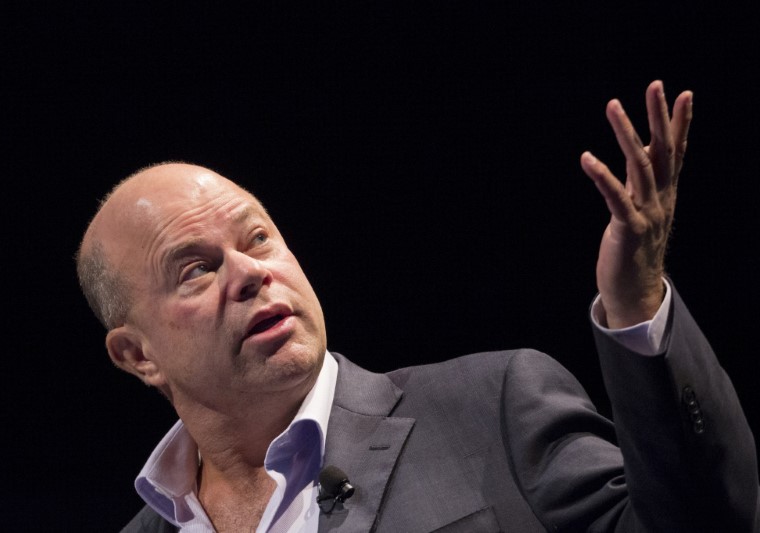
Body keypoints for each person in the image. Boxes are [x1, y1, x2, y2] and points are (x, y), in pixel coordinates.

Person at [77, 81, 758, 532]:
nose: (252, 273)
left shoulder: (489, 409)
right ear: (136, 353)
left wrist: (638, 301)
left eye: (259, 237)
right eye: (196, 269)